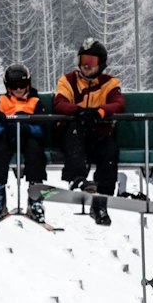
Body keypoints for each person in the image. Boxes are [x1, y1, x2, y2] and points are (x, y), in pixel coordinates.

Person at [52, 37, 124, 225]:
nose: (86, 66)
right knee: (76, 129)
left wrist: (100, 112)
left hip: (98, 134)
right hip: (73, 135)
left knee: (109, 148)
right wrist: (78, 111)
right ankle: (77, 179)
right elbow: (60, 103)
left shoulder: (109, 83)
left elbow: (118, 104)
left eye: (91, 62)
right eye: (82, 61)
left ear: (100, 64)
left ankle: (101, 200)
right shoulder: (68, 80)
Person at [0, 63, 49, 223]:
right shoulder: (1, 101)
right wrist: (5, 126)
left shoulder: (35, 102)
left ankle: (35, 197)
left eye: (22, 85)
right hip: (8, 137)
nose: (18, 89)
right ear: (7, 86)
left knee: (35, 151)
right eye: (14, 86)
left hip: (28, 137)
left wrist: (28, 126)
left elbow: (43, 130)